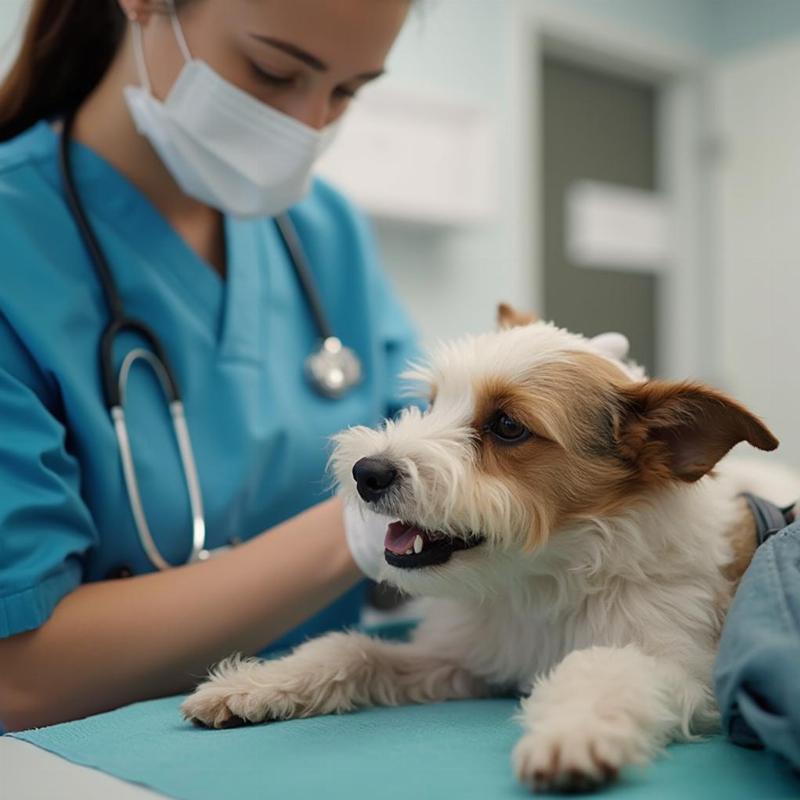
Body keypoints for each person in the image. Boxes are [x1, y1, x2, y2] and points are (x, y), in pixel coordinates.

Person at [0, 0, 417, 732]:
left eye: (349, 90)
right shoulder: (17, 241)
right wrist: (361, 528)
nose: (309, 124)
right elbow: (18, 675)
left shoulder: (326, 233)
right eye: (274, 70)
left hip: (338, 739)